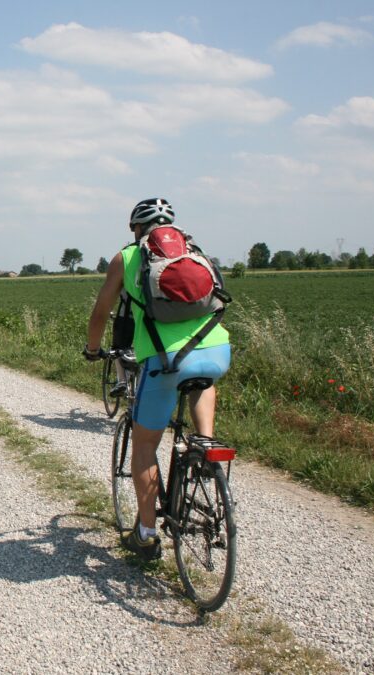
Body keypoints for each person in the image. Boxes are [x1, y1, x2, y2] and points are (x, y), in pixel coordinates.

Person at [83, 198, 231, 560]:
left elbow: (102, 310)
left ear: (136, 228)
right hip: (216, 350)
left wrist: (92, 348)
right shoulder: (196, 250)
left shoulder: (128, 257)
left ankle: (146, 536)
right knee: (203, 382)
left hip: (165, 360)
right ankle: (204, 452)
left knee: (145, 446)